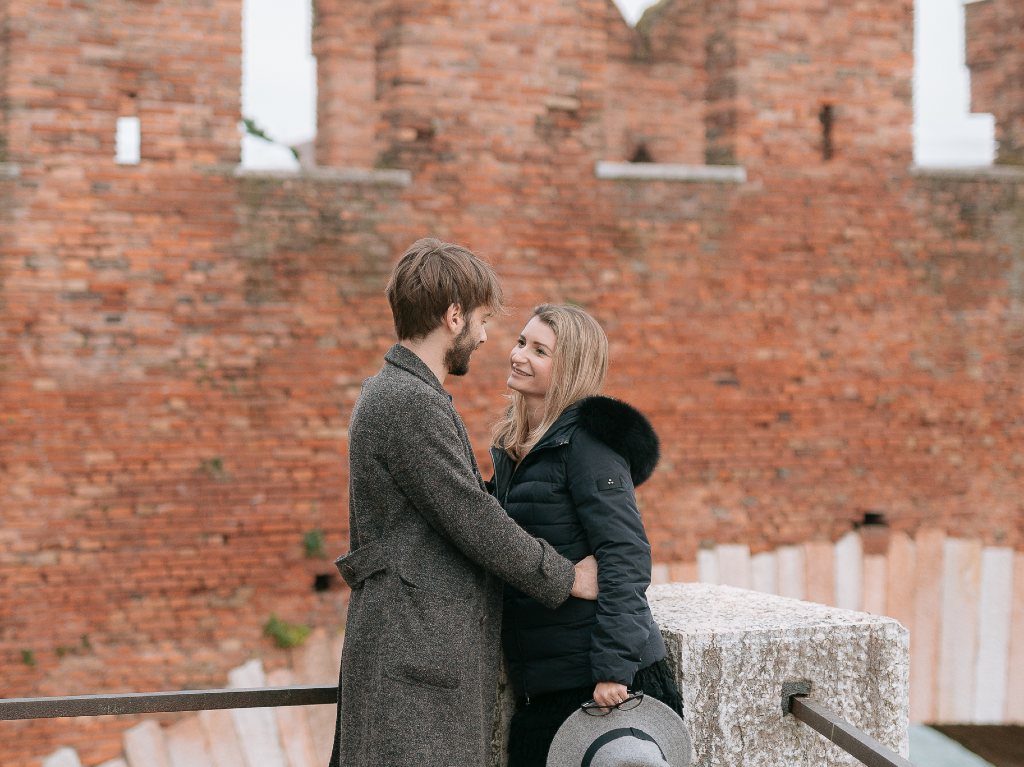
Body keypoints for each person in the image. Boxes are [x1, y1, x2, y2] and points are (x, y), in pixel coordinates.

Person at [329, 240, 599, 767]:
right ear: (453, 316)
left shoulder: (398, 394)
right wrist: (567, 577)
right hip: (413, 666)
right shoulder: (409, 402)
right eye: (480, 320)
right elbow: (476, 521)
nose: (484, 336)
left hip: (413, 657)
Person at [490, 304, 684, 767]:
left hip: (603, 685)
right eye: (521, 342)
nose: (519, 355)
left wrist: (614, 668)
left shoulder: (587, 445)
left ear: (569, 367)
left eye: (540, 351)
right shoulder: (516, 445)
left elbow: (625, 554)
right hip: (545, 683)